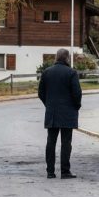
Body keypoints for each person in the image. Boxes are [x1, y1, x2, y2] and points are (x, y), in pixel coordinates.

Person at [38, 48, 82, 179]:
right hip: (68, 113)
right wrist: (76, 106)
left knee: (51, 142)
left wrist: (49, 104)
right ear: (67, 58)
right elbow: (77, 93)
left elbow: (41, 93)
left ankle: (50, 172)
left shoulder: (47, 72)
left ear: (56, 58)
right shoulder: (71, 73)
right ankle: (65, 171)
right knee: (66, 143)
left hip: (52, 113)